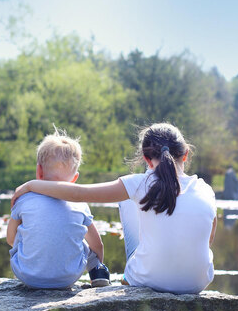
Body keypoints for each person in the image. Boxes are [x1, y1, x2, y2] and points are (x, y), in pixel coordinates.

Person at [12, 123, 217, 294]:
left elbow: (77, 194)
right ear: (186, 154)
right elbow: (208, 240)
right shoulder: (206, 189)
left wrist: (30, 186)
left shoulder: (139, 183)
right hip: (197, 283)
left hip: (150, 279)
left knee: (128, 199)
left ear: (146, 159)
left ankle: (132, 274)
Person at [7, 129, 110, 289]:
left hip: (27, 276)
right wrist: (97, 262)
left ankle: (29, 268)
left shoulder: (24, 199)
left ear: (39, 171)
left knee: (22, 233)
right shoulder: (81, 204)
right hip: (68, 278)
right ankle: (98, 272)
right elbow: (98, 245)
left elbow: (10, 238)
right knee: (83, 239)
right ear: (75, 178)